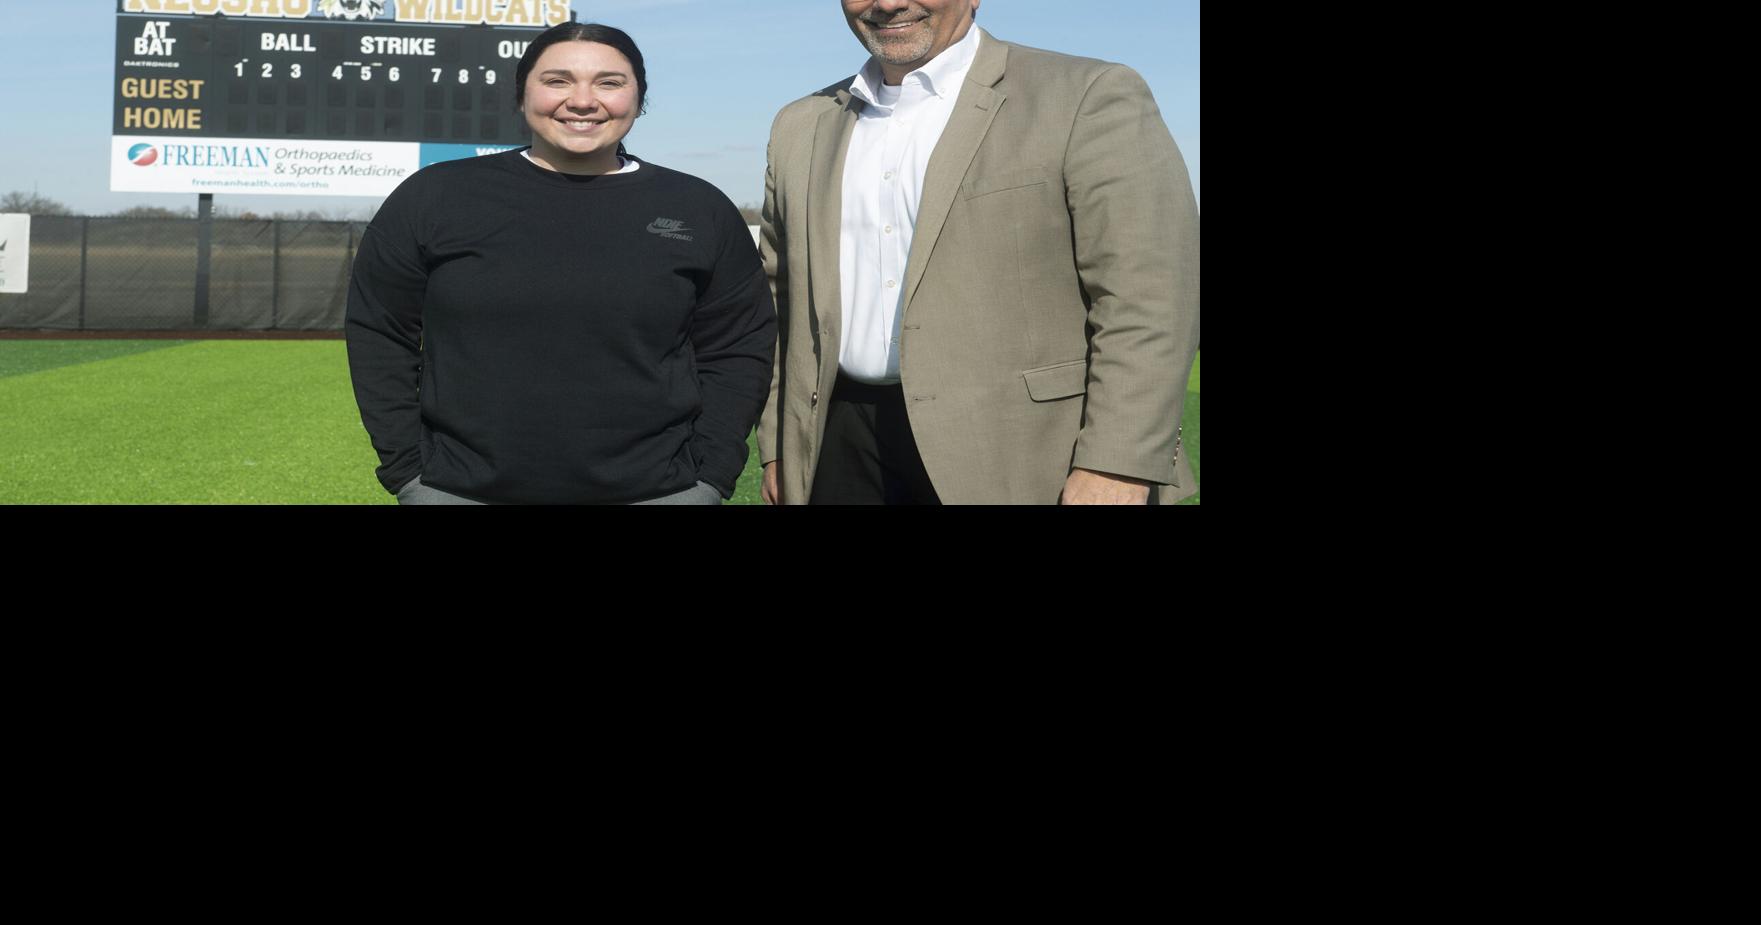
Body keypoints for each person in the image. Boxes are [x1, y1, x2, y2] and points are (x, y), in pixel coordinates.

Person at [757, 1, 1199, 504]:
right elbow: (775, 303)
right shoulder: (799, 125)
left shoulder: (1085, 95)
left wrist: (1116, 464)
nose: (887, 3)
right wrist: (778, 444)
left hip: (1026, 450)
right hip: (840, 445)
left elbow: (1151, 297)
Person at [346, 22, 775, 504]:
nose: (583, 101)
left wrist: (709, 476)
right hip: (460, 490)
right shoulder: (435, 197)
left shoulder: (699, 208)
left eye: (609, 82)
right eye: (557, 80)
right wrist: (409, 471)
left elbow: (738, 346)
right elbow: (379, 331)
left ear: (639, 97)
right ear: (521, 93)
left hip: (658, 491)